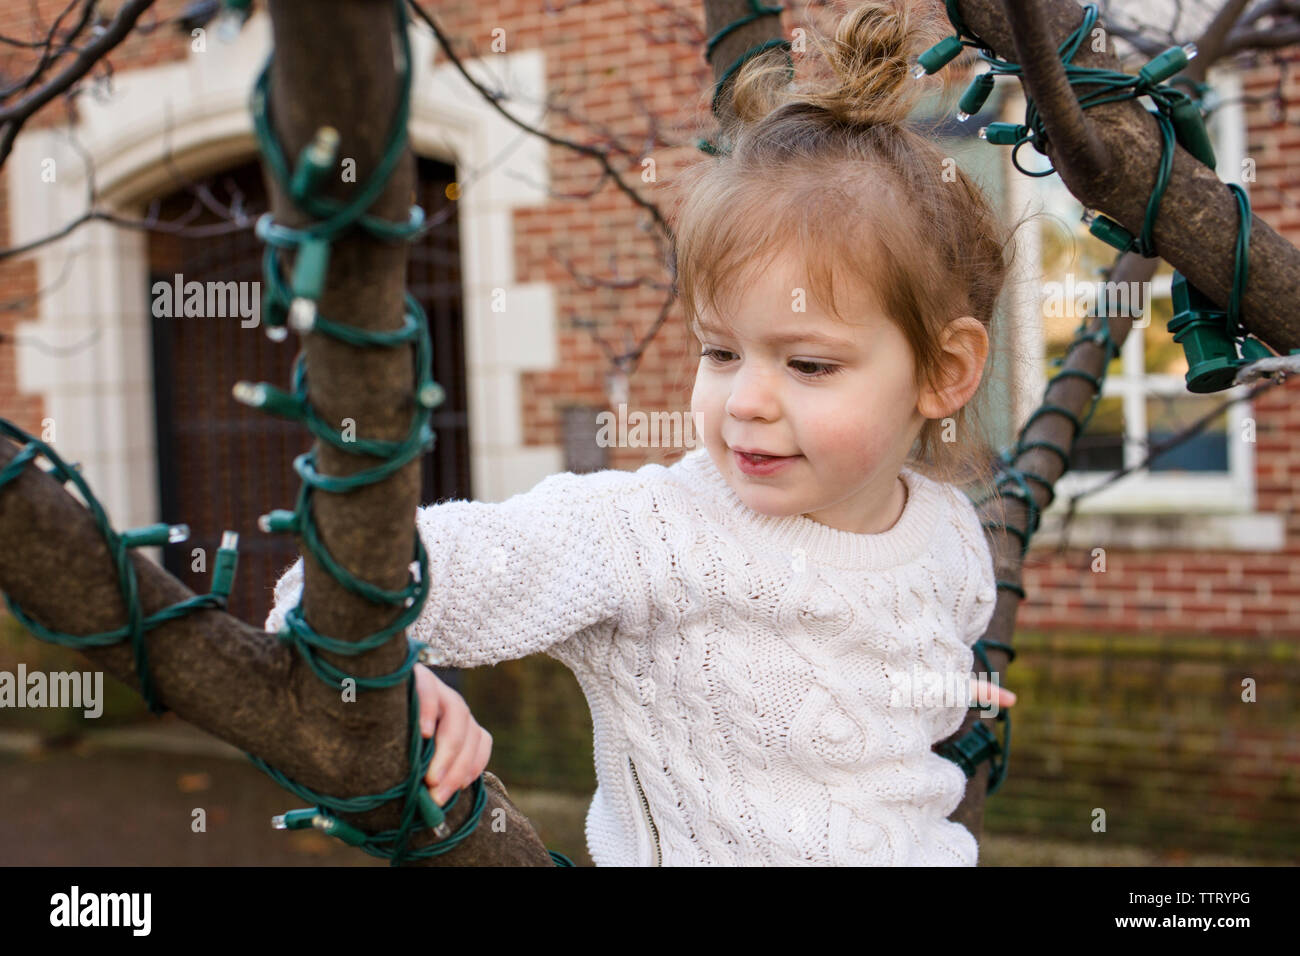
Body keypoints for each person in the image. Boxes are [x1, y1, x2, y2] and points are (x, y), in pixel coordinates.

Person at [266, 0, 1024, 865]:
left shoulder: (953, 540)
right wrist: (398, 681)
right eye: (722, 351)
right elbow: (342, 582)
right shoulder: (649, 534)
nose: (746, 402)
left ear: (946, 373)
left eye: (808, 365)